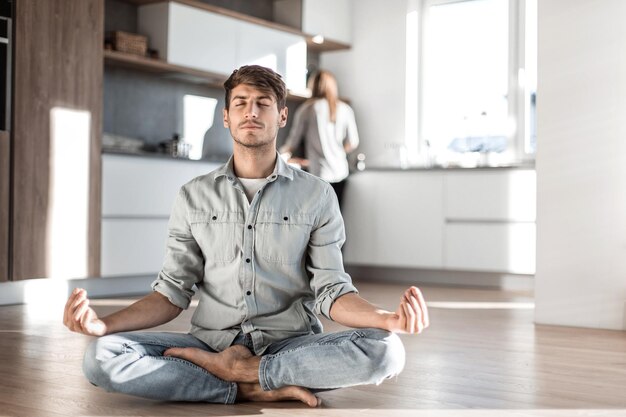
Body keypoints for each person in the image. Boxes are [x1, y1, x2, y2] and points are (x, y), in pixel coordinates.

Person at [63, 65, 428, 407]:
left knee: (387, 350)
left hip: (290, 346)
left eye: (263, 104)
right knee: (100, 357)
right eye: (240, 103)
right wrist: (103, 324)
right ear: (226, 117)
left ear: (282, 116)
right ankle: (254, 386)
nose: (251, 112)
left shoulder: (317, 195)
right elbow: (171, 293)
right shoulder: (193, 195)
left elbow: (331, 291)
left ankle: (240, 375)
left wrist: (386, 319)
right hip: (211, 342)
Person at [280, 70, 359, 206]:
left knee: (318, 219)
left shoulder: (307, 109)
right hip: (341, 172)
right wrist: (337, 152)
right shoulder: (345, 109)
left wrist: (279, 157)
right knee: (336, 219)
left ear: (313, 86)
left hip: (319, 174)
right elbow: (353, 142)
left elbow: (292, 142)